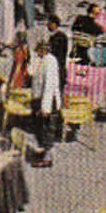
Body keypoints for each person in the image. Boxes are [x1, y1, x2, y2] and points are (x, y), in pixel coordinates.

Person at [32, 38, 62, 167]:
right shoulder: (42, 61)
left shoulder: (50, 62)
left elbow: (49, 85)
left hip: (49, 101)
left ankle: (48, 158)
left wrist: (45, 107)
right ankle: (43, 152)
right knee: (41, 129)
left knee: (48, 130)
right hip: (42, 99)